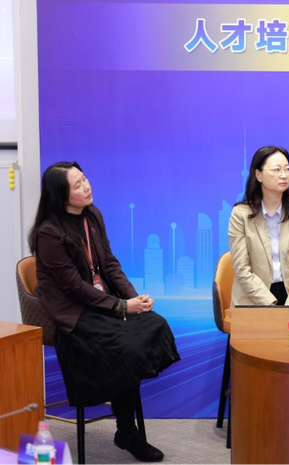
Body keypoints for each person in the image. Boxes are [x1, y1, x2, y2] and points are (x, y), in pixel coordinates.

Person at [29, 162, 180, 462]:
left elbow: (109, 264)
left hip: (102, 303)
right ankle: (128, 432)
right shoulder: (49, 233)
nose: (86, 186)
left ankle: (125, 428)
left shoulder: (92, 215)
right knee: (125, 349)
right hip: (75, 313)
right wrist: (122, 306)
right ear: (61, 196)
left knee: (154, 323)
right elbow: (74, 287)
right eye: (77, 185)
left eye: (84, 178)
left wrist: (134, 299)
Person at [228, 146, 289, 310]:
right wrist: (271, 306)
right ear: (258, 175)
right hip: (253, 297)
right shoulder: (240, 214)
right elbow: (242, 269)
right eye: (277, 170)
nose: (284, 175)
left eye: (287, 169)